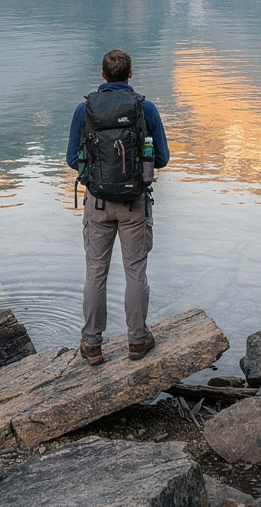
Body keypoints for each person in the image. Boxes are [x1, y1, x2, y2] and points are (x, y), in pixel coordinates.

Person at [66, 48, 169, 365]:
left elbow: (73, 160)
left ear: (102, 76)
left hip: (96, 205)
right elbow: (161, 158)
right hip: (134, 205)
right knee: (135, 271)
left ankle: (92, 345)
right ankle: (137, 341)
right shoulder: (145, 108)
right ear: (130, 75)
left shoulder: (84, 111)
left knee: (96, 273)